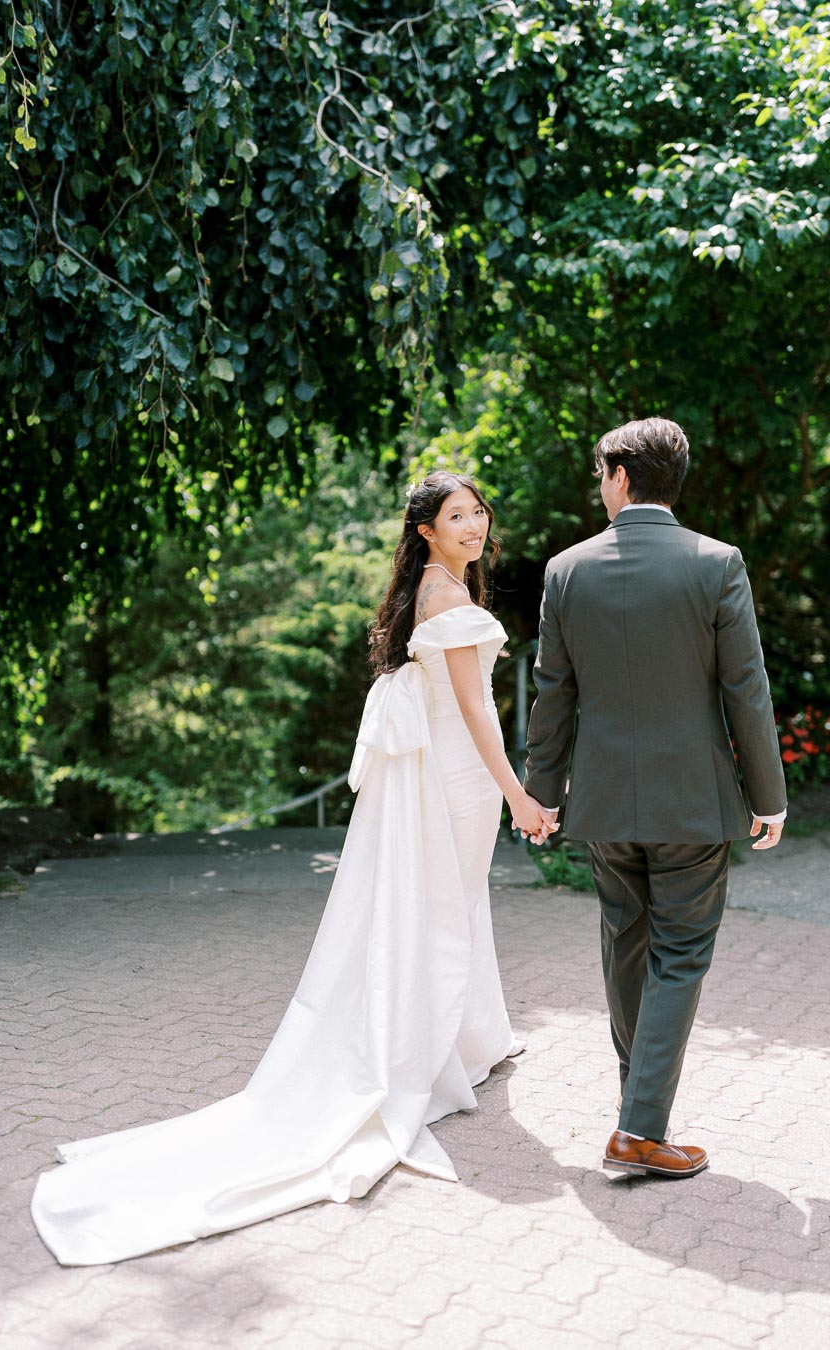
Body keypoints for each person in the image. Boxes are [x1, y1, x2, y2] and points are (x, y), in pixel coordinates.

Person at [31, 471, 553, 1265]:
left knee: (452, 907)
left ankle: (470, 1036)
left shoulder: (435, 593)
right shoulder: (449, 602)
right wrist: (518, 793)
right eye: (457, 516)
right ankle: (441, 1048)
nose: (474, 525)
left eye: (479, 511)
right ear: (425, 531)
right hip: (462, 778)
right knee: (451, 908)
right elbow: (481, 711)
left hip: (450, 775)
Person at [523, 417, 786, 1179]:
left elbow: (553, 695)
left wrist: (541, 794)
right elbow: (746, 689)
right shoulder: (717, 563)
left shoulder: (567, 569)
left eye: (599, 474)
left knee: (627, 946)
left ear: (622, 477)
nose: (597, 486)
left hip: (604, 801)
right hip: (693, 804)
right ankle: (639, 1130)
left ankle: (635, 1112)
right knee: (678, 957)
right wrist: (767, 796)